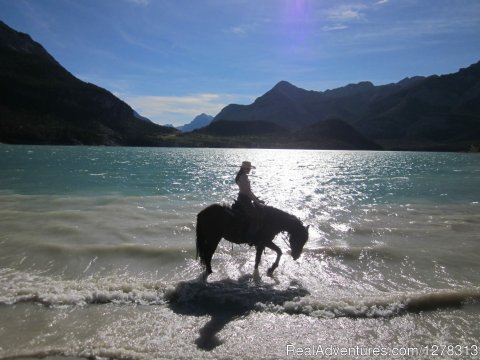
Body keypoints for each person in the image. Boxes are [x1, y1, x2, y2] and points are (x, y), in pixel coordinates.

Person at [235, 161, 264, 245]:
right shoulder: (243, 177)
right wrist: (257, 202)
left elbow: (249, 192)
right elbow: (248, 192)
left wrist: (257, 200)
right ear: (244, 168)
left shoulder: (242, 176)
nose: (249, 170)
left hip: (244, 198)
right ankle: (250, 238)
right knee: (256, 217)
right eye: (248, 168)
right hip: (244, 199)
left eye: (249, 169)